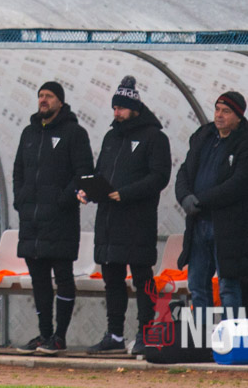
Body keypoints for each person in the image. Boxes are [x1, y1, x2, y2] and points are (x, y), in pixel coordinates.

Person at [80, 75, 171, 356]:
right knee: (112, 279)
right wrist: (89, 190)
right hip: (109, 221)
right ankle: (115, 334)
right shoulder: (111, 137)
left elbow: (159, 176)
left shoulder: (155, 137)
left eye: (120, 108)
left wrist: (126, 193)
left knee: (143, 278)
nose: (115, 113)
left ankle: (146, 332)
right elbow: (101, 173)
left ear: (134, 108)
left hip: (137, 221)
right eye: (114, 108)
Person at [13, 82, 93, 355]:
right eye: (40, 96)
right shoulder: (29, 133)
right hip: (31, 220)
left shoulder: (75, 133)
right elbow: (18, 170)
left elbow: (84, 173)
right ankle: (44, 334)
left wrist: (62, 200)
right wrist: (21, 200)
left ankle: (60, 336)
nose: (43, 100)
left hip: (60, 219)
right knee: (39, 280)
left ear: (60, 101)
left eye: (48, 96)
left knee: (63, 277)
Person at [174, 92, 248, 318]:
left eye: (226, 111)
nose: (219, 115)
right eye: (217, 109)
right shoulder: (203, 136)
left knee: (228, 286)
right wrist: (184, 197)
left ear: (239, 116)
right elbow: (184, 171)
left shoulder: (247, 144)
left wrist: (201, 200)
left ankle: (230, 333)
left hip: (229, 227)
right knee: (197, 285)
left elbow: (240, 183)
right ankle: (201, 335)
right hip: (198, 223)